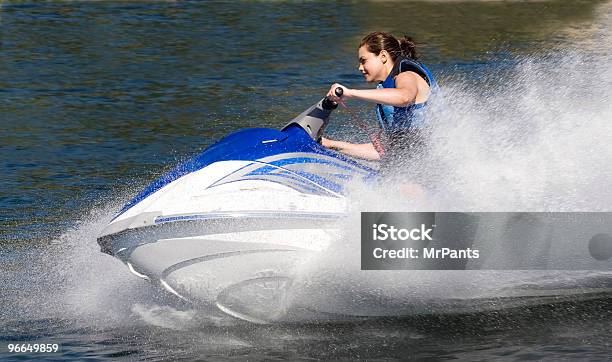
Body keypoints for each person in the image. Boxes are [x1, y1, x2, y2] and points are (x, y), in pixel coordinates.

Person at [322, 32, 437, 171]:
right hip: (417, 164)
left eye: (363, 60)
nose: (360, 67)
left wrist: (350, 93)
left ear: (383, 56)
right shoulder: (387, 90)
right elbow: (384, 151)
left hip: (434, 159)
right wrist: (331, 145)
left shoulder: (407, 75)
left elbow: (405, 97)